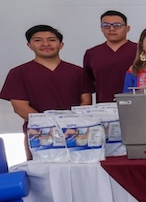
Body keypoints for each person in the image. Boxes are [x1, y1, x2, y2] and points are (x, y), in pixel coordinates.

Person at [0, 25, 93, 159]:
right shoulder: (18, 73)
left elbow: (86, 101)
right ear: (29, 45)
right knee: (41, 169)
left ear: (61, 45)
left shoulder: (77, 72)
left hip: (75, 134)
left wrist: (69, 125)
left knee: (80, 166)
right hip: (38, 135)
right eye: (38, 40)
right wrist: (48, 127)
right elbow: (20, 107)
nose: (45, 44)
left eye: (51, 40)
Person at [82, 10, 138, 103]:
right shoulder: (92, 53)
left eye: (117, 25)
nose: (111, 29)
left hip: (136, 104)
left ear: (127, 28)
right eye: (106, 25)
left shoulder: (140, 50)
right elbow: (90, 83)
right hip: (104, 106)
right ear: (101, 28)